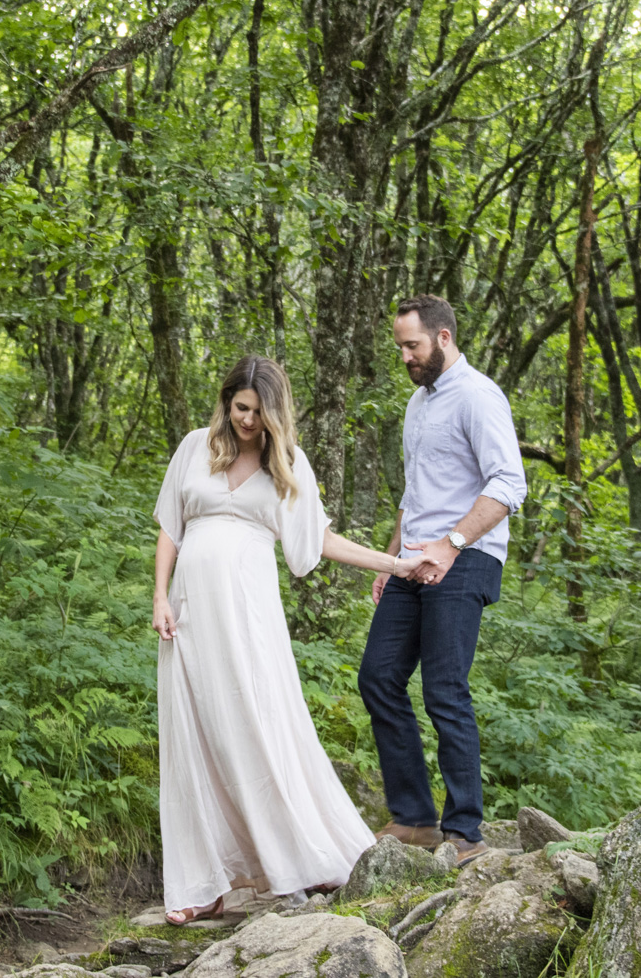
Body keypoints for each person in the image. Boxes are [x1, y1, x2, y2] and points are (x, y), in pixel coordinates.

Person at [152, 354, 427, 925]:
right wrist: (159, 597)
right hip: (190, 614)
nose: (248, 421)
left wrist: (396, 564)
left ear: (276, 414)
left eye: (259, 412)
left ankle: (299, 855)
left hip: (248, 616)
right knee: (194, 736)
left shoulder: (289, 465)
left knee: (258, 725)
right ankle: (204, 883)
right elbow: (169, 528)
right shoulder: (194, 447)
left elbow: (320, 541)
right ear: (227, 401)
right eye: (241, 407)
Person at [358, 293, 526, 865]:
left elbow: (508, 484)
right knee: (378, 676)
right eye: (400, 346)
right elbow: (414, 494)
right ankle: (414, 819)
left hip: (467, 556)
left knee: (444, 689)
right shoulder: (417, 403)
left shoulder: (478, 397)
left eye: (413, 345)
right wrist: (389, 561)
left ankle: (465, 834)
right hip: (412, 560)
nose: (405, 356)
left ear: (444, 338)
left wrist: (452, 545)